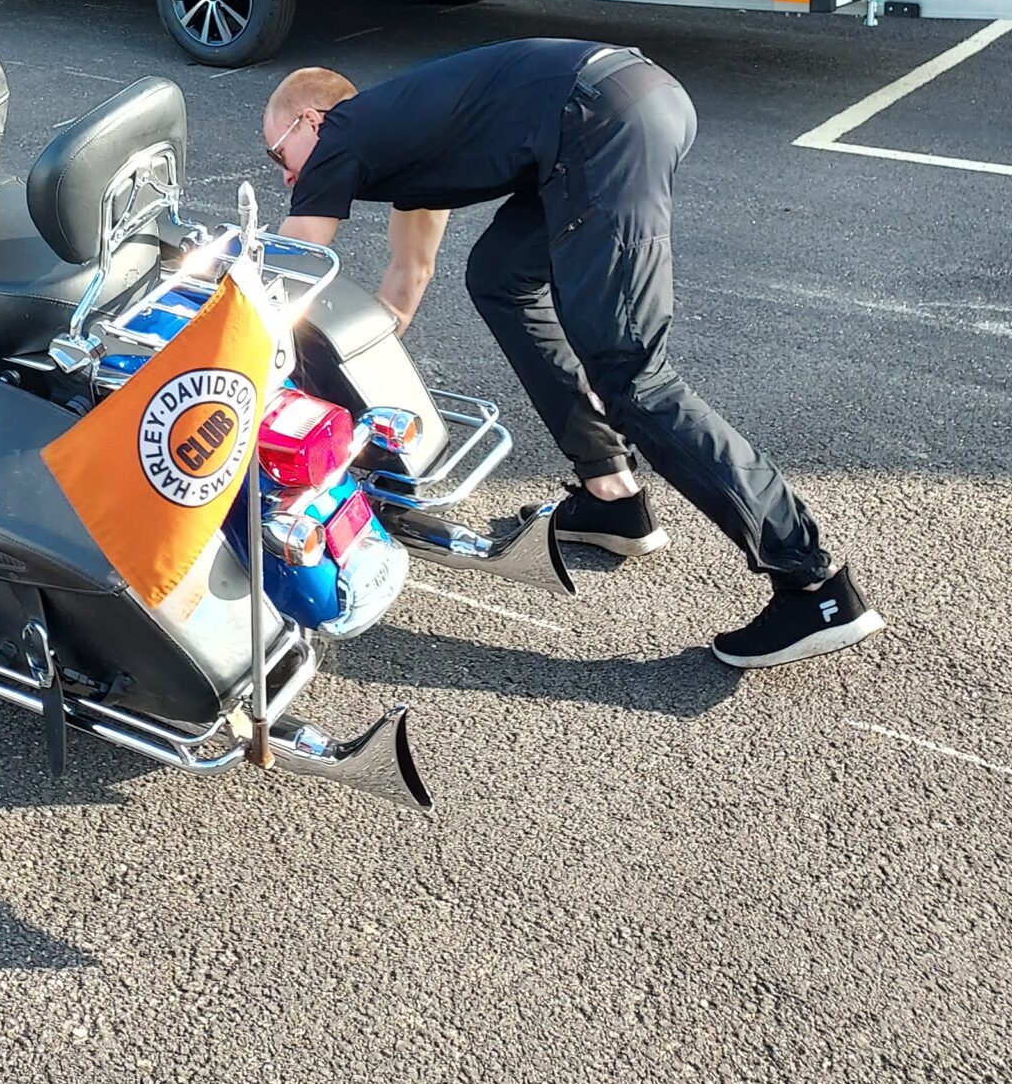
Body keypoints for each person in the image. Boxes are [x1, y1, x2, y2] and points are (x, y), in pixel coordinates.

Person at [262, 41, 883, 669]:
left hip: (600, 117)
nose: (286, 177)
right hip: (612, 109)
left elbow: (288, 271)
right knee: (500, 275)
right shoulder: (401, 137)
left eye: (278, 154)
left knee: (633, 376)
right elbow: (405, 283)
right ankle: (610, 494)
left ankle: (813, 584)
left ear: (310, 120)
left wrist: (253, 374)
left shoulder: (342, 131)